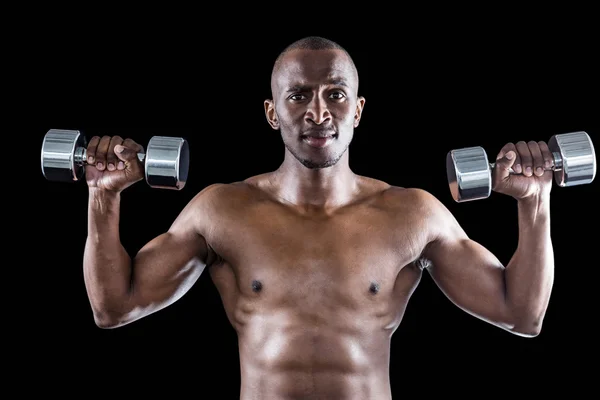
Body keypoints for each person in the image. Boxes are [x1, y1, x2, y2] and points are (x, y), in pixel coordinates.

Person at [82, 36, 555, 399]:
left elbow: (522, 313)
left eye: (336, 94)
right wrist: (104, 198)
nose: (318, 112)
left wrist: (534, 202)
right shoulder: (222, 211)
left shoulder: (411, 215)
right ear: (272, 112)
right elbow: (115, 307)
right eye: (298, 95)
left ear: (358, 110)